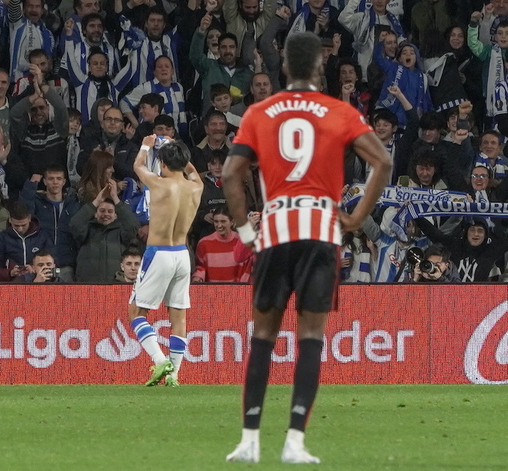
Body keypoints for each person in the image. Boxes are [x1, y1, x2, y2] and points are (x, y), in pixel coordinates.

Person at [221, 32, 391, 464]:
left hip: (276, 229)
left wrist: (244, 233)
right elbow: (383, 162)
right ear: (319, 67)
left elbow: (229, 174)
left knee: (262, 336)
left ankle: (249, 440)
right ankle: (295, 441)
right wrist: (353, 219)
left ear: (284, 69)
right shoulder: (339, 111)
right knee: (311, 337)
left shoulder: (260, 112)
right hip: (320, 230)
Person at [126, 134, 203, 387]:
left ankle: (160, 361)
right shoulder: (196, 187)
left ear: (162, 163)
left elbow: (137, 166)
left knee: (136, 312)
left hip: (158, 252)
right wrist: (175, 147)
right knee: (178, 316)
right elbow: (192, 172)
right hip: (183, 254)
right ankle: (174, 375)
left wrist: (148, 144)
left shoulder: (159, 184)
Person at [191, 205, 252, 282]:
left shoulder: (241, 242)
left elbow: (247, 269)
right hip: (212, 291)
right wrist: (198, 278)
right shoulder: (204, 243)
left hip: (237, 291)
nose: (219, 225)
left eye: (223, 221)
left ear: (232, 222)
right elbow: (200, 267)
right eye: (216, 221)